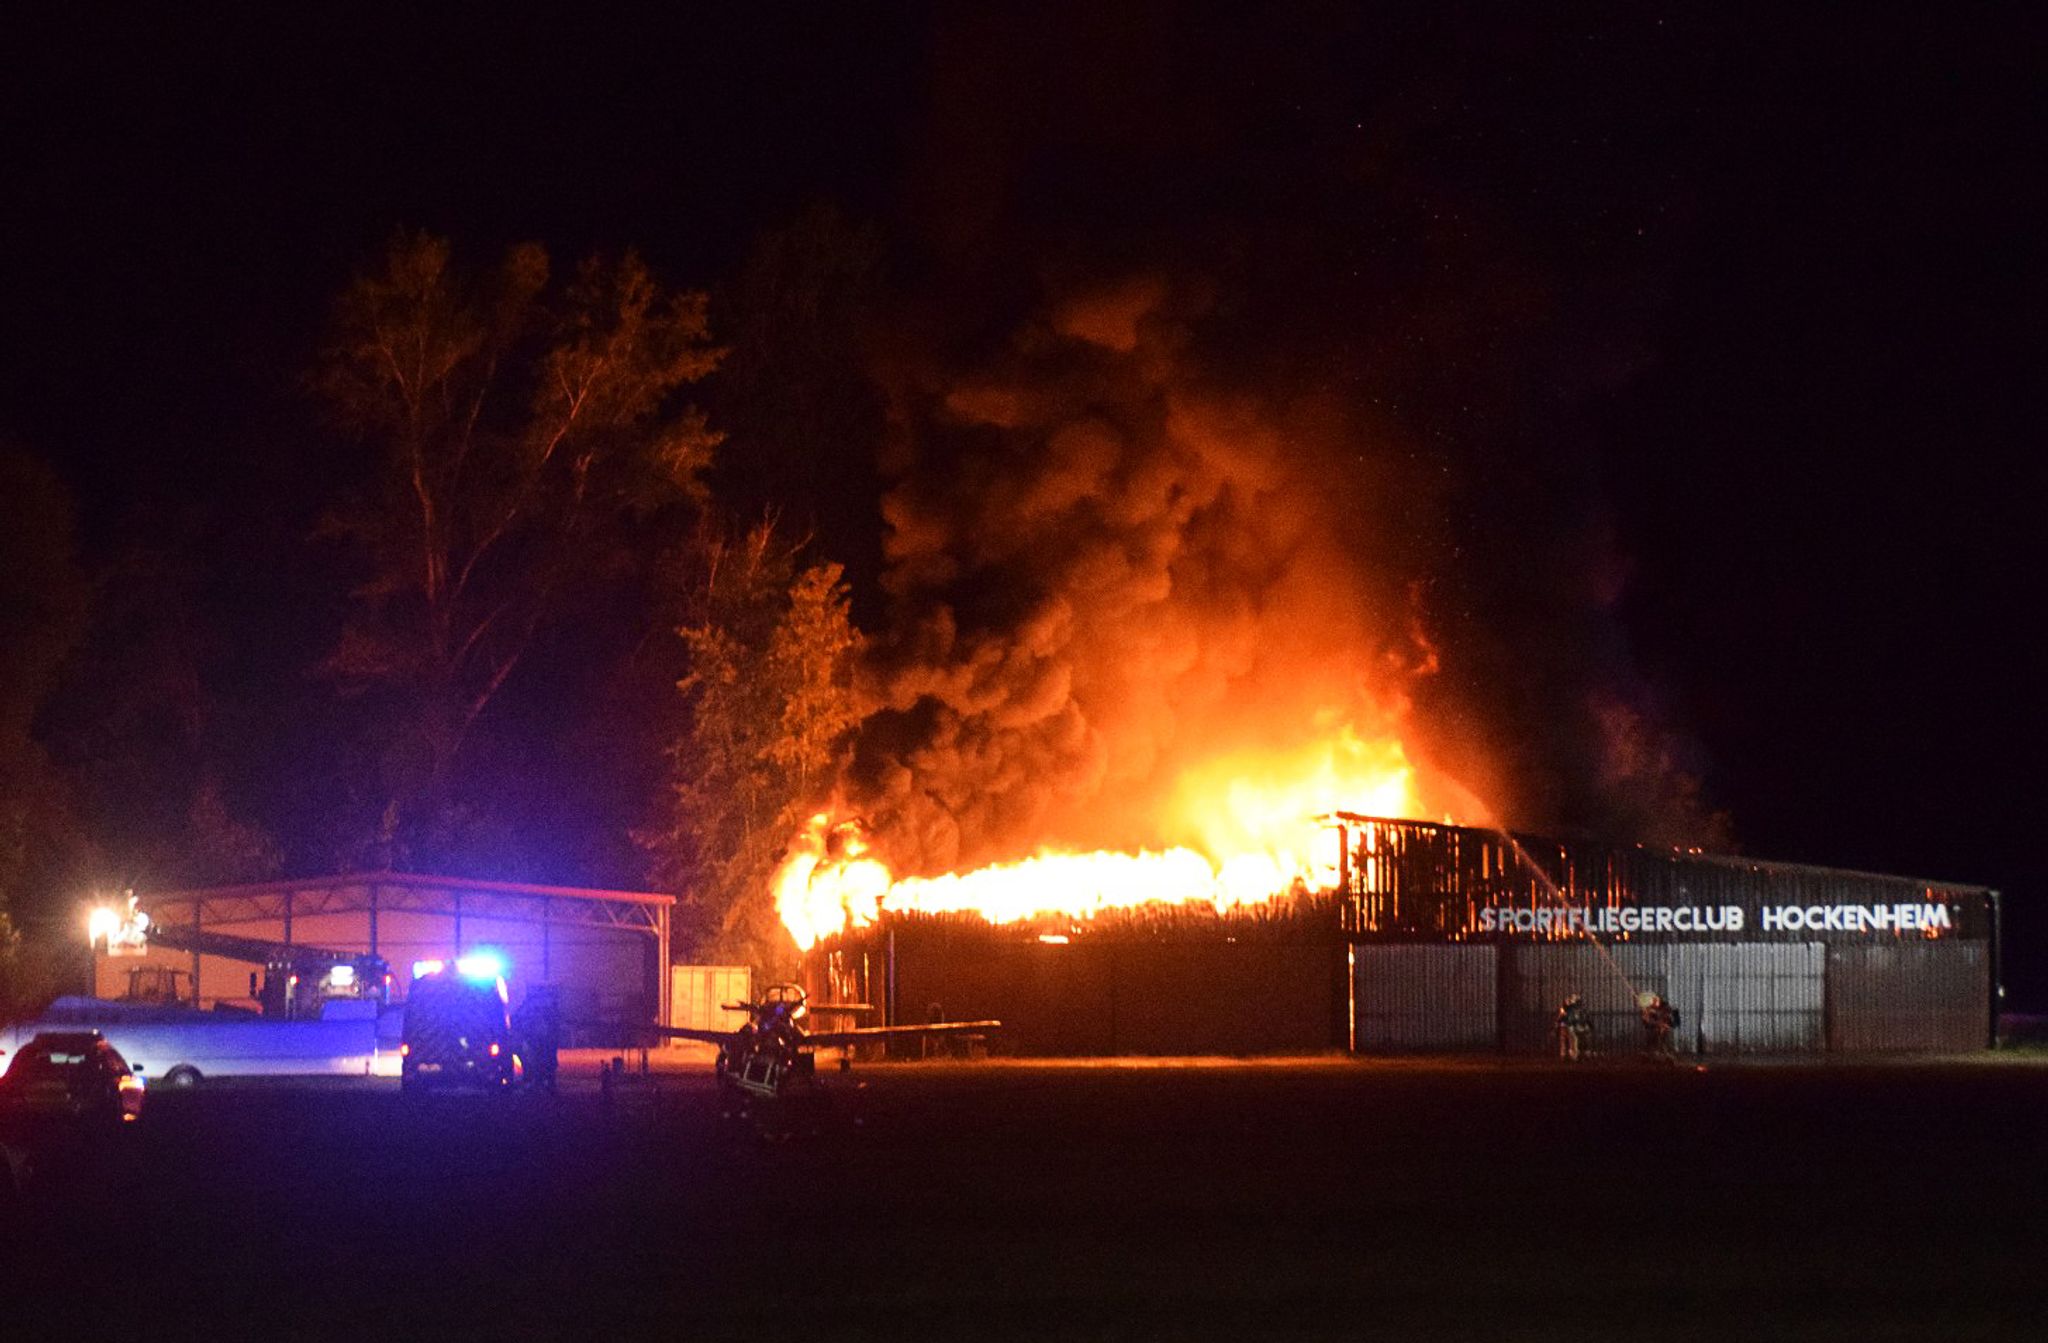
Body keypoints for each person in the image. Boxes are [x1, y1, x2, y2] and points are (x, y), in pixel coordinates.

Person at [1639, 992, 1677, 1060]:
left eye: (1656, 999)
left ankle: (1665, 1054)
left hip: (1664, 1028)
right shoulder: (1649, 1009)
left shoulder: (1665, 1007)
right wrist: (1647, 1016)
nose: (1654, 1001)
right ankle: (1649, 1053)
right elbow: (1647, 1021)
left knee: (1663, 1039)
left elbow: (1669, 1019)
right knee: (1651, 1036)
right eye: (1653, 1000)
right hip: (1655, 1028)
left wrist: (1663, 1024)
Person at [1555, 994, 1591, 1061]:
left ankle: (1563, 1055)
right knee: (1573, 1041)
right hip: (1569, 1026)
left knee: (1564, 1042)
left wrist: (1557, 1024)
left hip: (1564, 1026)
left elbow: (1560, 1018)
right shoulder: (1572, 1008)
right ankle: (1573, 1056)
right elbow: (1574, 1017)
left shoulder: (1563, 1009)